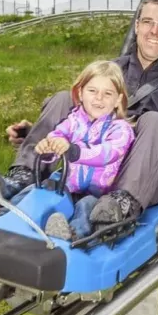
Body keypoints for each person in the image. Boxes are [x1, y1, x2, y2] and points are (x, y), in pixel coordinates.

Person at [0, 0, 158, 228]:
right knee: (62, 98)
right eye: (149, 22)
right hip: (92, 168)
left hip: (144, 179)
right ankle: (23, 175)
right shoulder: (111, 71)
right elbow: (81, 117)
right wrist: (32, 132)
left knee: (152, 120)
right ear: (137, 26)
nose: (155, 31)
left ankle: (122, 202)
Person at [32, 61, 135, 240]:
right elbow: (58, 135)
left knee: (87, 206)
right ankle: (6, 209)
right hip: (67, 185)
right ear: (80, 93)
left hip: (98, 192)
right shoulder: (73, 121)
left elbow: (108, 153)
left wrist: (75, 151)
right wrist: (49, 147)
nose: (98, 98)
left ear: (118, 99)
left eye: (107, 93)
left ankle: (72, 234)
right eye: (92, 91)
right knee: (44, 187)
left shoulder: (121, 129)